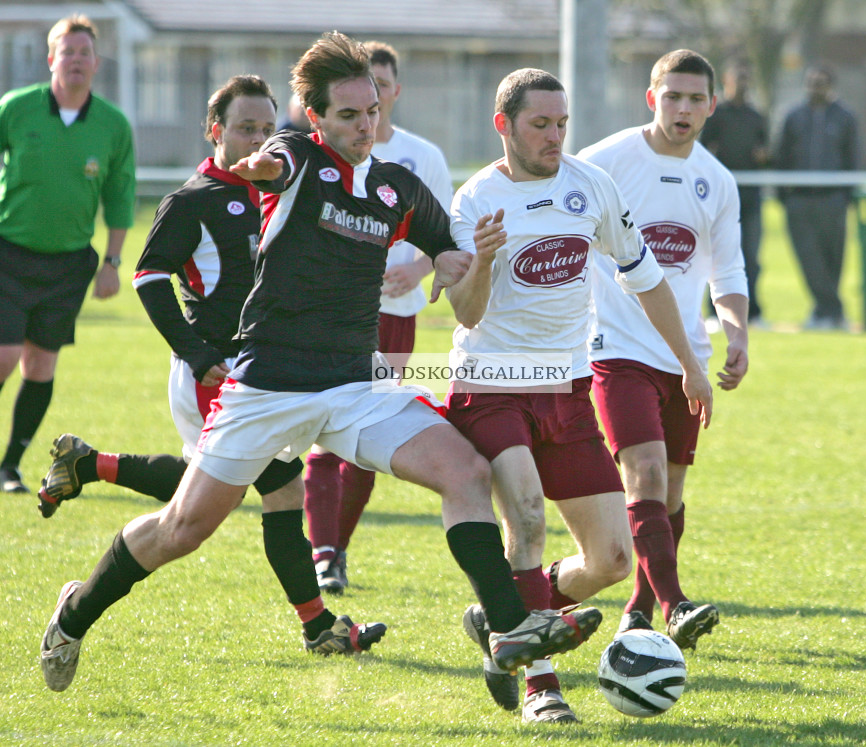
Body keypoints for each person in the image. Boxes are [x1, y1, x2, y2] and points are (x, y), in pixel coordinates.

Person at [38, 32, 601, 698]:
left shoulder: (396, 187)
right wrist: (256, 169)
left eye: (371, 112)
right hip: (268, 384)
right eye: (348, 116)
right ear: (316, 119)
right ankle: (74, 614)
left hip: (355, 385)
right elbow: (270, 161)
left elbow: (447, 250)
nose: (365, 126)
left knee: (466, 471)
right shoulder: (297, 157)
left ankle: (507, 627)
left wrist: (459, 259)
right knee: (182, 529)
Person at [445, 67, 712, 724]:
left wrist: (689, 363)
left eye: (562, 124)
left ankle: (503, 615)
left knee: (614, 560)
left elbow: (646, 278)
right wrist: (481, 259)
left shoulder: (590, 186)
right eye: (540, 124)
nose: (555, 137)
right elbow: (467, 313)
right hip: (492, 386)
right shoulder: (475, 200)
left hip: (567, 389)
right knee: (528, 522)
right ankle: (543, 689)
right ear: (503, 125)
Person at [36, 75, 305, 518]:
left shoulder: (276, 190)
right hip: (216, 370)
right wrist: (196, 354)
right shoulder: (192, 200)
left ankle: (86, 464)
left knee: (221, 486)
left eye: (266, 129)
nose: (258, 139)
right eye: (246, 128)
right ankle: (87, 586)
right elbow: (148, 278)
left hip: (266, 366)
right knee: (269, 490)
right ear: (216, 130)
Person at [577, 49, 748, 650]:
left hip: (684, 359)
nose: (682, 108)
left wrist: (736, 333)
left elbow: (727, 272)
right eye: (671, 96)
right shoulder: (603, 163)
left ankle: (639, 612)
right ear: (651, 98)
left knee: (670, 492)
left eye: (694, 98)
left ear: (711, 106)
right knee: (643, 473)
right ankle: (675, 605)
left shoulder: (717, 181)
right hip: (616, 348)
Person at [0, 15, 135, 494]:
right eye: (67, 52)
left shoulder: (113, 125)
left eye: (85, 53)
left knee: (40, 366)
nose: (76, 61)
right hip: (9, 254)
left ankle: (10, 466)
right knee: (1, 357)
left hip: (69, 263)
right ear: (51, 60)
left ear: (96, 63)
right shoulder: (17, 109)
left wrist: (111, 264)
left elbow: (121, 198)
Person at [303, 40, 454, 595]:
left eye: (385, 87)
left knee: (366, 426)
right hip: (332, 314)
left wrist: (416, 268)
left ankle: (337, 545)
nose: (377, 99)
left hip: (394, 315)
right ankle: (322, 552)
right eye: (367, 90)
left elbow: (445, 231)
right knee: (323, 430)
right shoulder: (318, 155)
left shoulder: (422, 157)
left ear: (393, 91)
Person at [775, 63, 859, 330]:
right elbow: (782, 156)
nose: (815, 87)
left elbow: (853, 156)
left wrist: (849, 196)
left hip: (833, 200)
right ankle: (832, 311)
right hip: (799, 200)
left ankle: (826, 314)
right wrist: (783, 196)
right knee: (808, 258)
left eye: (821, 82)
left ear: (830, 86)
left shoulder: (845, 117)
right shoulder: (793, 116)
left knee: (833, 259)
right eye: (811, 82)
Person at [698, 59, 768, 327]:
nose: (742, 85)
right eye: (737, 79)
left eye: (746, 80)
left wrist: (763, 157)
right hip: (720, 197)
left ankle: (753, 312)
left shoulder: (755, 116)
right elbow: (703, 152)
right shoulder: (717, 115)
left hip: (750, 196)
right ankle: (714, 312)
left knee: (751, 255)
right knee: (716, 252)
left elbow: (765, 152)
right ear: (726, 82)